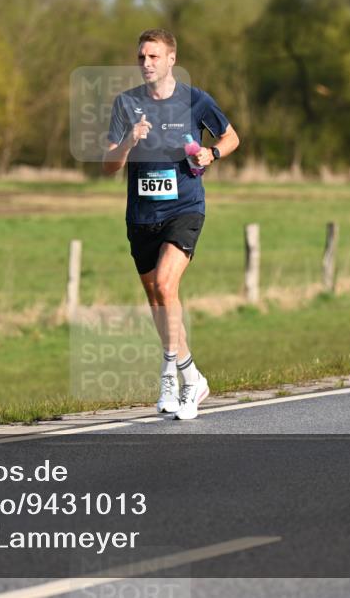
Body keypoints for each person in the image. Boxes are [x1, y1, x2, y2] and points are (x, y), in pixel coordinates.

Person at [103, 29, 240, 420]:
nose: (146, 63)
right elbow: (108, 164)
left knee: (166, 285)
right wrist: (129, 141)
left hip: (184, 207)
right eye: (141, 57)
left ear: (171, 60)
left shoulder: (196, 101)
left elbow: (231, 138)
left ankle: (170, 374)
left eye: (153, 57)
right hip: (141, 215)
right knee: (156, 301)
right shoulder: (126, 104)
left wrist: (211, 153)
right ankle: (192, 376)